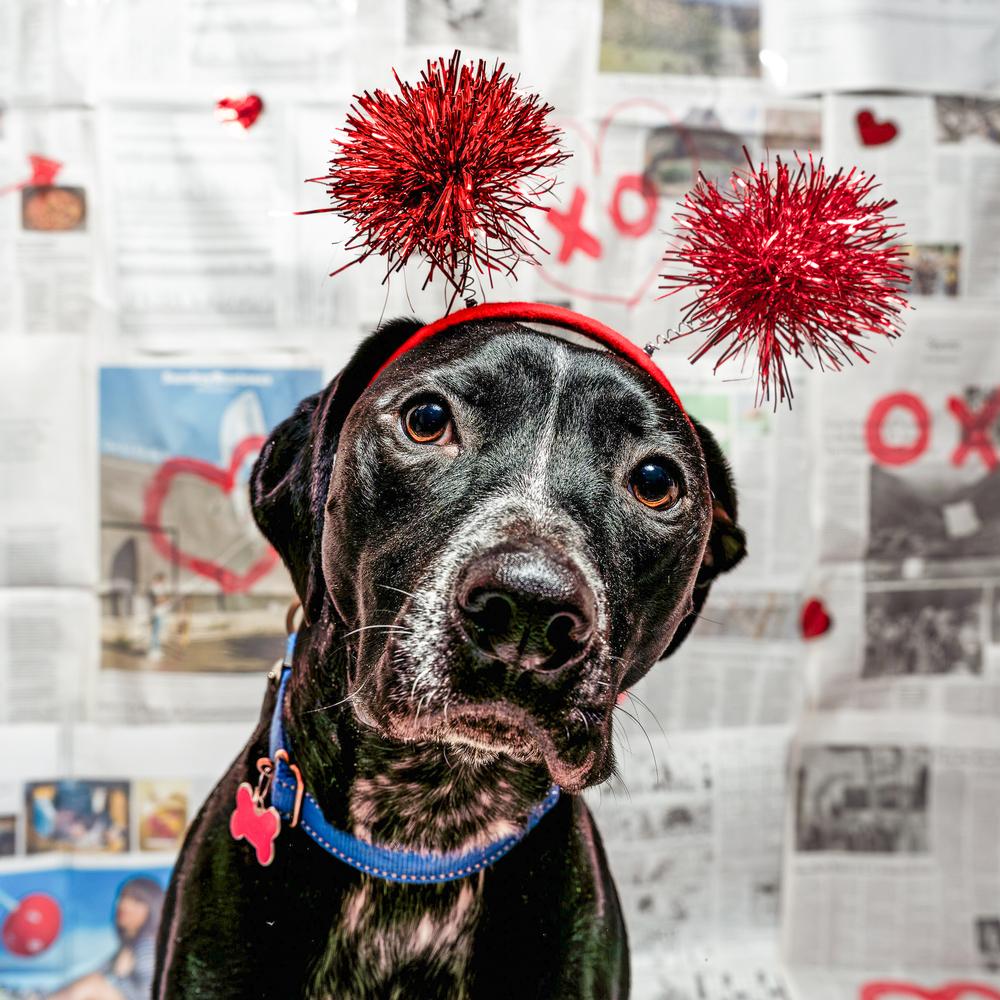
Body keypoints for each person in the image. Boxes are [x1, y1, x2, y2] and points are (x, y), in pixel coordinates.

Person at [45, 877, 164, 1000]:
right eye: (123, 897)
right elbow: (97, 975)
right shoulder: (129, 947)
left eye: (136, 901)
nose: (123, 905)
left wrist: (119, 977)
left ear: (152, 907)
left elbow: (150, 994)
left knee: (93, 985)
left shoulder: (147, 947)